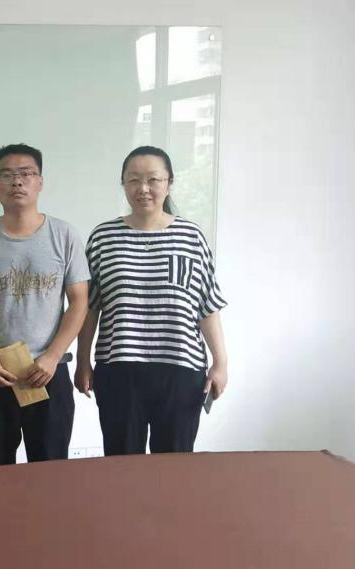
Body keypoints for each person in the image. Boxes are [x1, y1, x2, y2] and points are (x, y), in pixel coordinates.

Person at [73, 146, 229, 455]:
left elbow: (207, 306)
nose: (143, 188)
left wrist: (220, 363)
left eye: (153, 180)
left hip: (181, 369)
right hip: (119, 369)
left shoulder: (191, 236)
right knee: (121, 463)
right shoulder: (103, 237)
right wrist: (82, 361)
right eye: (133, 180)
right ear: (123, 184)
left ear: (169, 183)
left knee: (173, 467)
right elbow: (89, 308)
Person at [0, 144, 89, 466]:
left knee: (50, 472)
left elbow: (79, 302)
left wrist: (52, 356)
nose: (17, 181)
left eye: (26, 173)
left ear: (40, 181)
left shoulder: (65, 235)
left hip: (48, 372)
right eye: (7, 175)